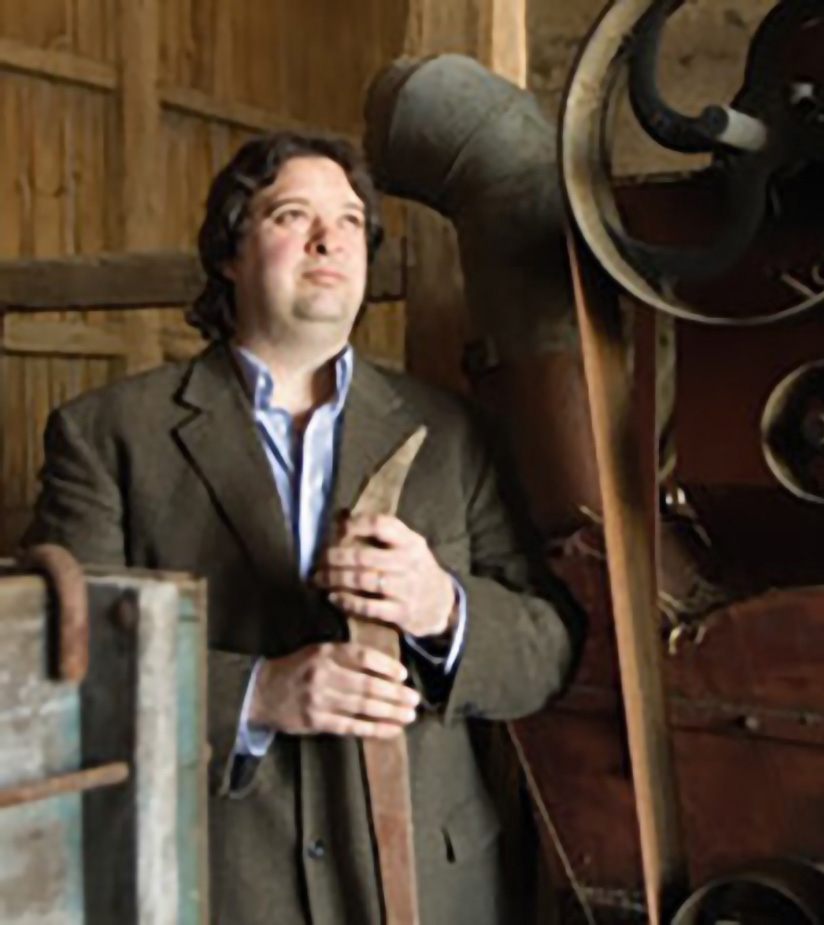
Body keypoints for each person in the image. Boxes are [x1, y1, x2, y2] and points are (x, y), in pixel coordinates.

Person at [23, 130, 583, 925]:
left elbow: (548, 649)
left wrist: (443, 609)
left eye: (350, 221)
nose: (329, 239)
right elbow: (59, 673)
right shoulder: (107, 434)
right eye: (292, 215)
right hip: (216, 888)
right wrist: (259, 693)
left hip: (431, 889)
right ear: (229, 252)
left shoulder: (455, 432)